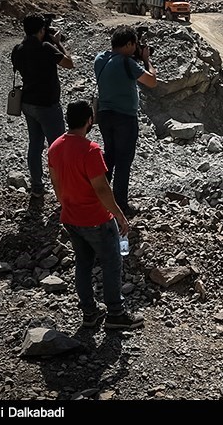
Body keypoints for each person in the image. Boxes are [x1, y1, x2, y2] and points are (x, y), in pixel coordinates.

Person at [47, 100, 144, 330]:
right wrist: (119, 215)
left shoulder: (55, 147)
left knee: (83, 263)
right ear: (90, 120)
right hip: (95, 219)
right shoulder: (91, 150)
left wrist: (65, 203)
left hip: (71, 217)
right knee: (112, 263)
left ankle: (89, 313)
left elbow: (55, 181)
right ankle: (115, 313)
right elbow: (102, 188)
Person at [94, 25, 157, 215]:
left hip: (104, 115)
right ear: (129, 44)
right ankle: (120, 204)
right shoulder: (127, 63)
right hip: (125, 117)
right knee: (123, 161)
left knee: (109, 155)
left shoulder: (100, 59)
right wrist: (147, 60)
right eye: (135, 44)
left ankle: (99, 197)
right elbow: (152, 81)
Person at [11, 13, 74, 197]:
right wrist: (58, 43)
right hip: (47, 105)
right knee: (59, 147)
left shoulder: (18, 49)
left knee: (35, 145)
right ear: (41, 30)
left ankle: (37, 187)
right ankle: (64, 189)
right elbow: (69, 64)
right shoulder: (46, 47)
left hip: (28, 103)